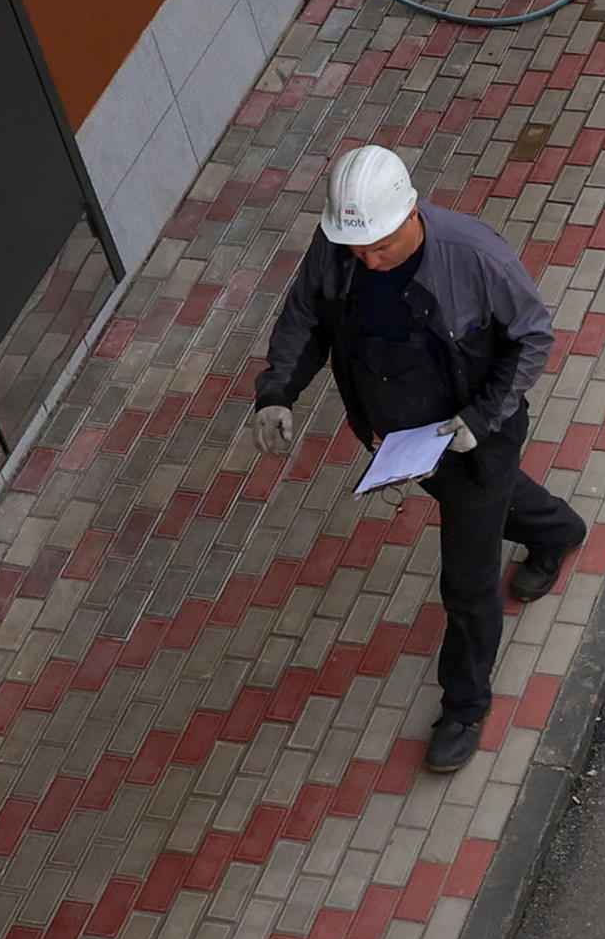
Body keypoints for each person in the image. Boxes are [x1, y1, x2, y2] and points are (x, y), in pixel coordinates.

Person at [248, 143, 586, 772]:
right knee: (478, 502)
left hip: (474, 436)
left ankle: (464, 707)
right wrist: (277, 394)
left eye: (379, 247)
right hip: (403, 439)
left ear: (410, 214)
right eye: (357, 249)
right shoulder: (342, 246)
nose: (366, 261)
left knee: (467, 579)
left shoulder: (475, 256)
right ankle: (559, 531)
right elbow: (305, 319)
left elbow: (533, 337)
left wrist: (478, 420)